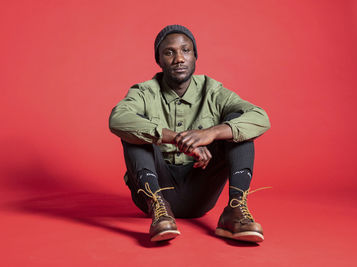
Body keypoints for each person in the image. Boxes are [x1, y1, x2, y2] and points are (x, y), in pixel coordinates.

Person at [109, 25, 271, 243]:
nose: (179, 58)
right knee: (135, 130)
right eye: (169, 52)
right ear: (159, 60)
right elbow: (117, 119)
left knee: (237, 126)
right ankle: (160, 210)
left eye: (186, 50)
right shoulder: (145, 92)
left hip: (201, 190)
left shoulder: (212, 90)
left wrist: (211, 133)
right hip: (155, 190)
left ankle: (235, 210)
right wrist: (177, 139)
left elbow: (260, 117)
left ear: (195, 56)